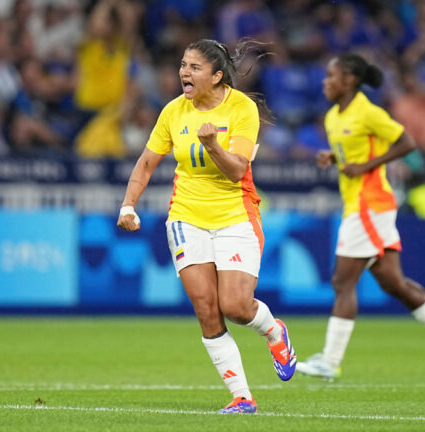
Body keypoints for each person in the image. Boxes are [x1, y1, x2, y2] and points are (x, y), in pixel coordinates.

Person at [117, 39, 296, 414]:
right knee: (206, 309)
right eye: (183, 64)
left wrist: (213, 144)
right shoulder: (173, 112)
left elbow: (236, 172)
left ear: (217, 76)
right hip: (186, 218)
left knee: (235, 305)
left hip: (235, 215)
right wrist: (128, 205)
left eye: (195, 67)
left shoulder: (241, 108)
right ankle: (242, 397)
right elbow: (147, 162)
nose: (185, 71)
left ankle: (274, 331)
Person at [296, 54, 425, 381]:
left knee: (342, 281)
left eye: (331, 76)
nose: (325, 81)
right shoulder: (334, 116)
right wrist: (333, 157)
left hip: (370, 203)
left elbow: (407, 143)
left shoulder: (369, 112)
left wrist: (366, 167)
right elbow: (352, 151)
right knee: (393, 283)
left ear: (349, 80)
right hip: (361, 205)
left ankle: (330, 361)